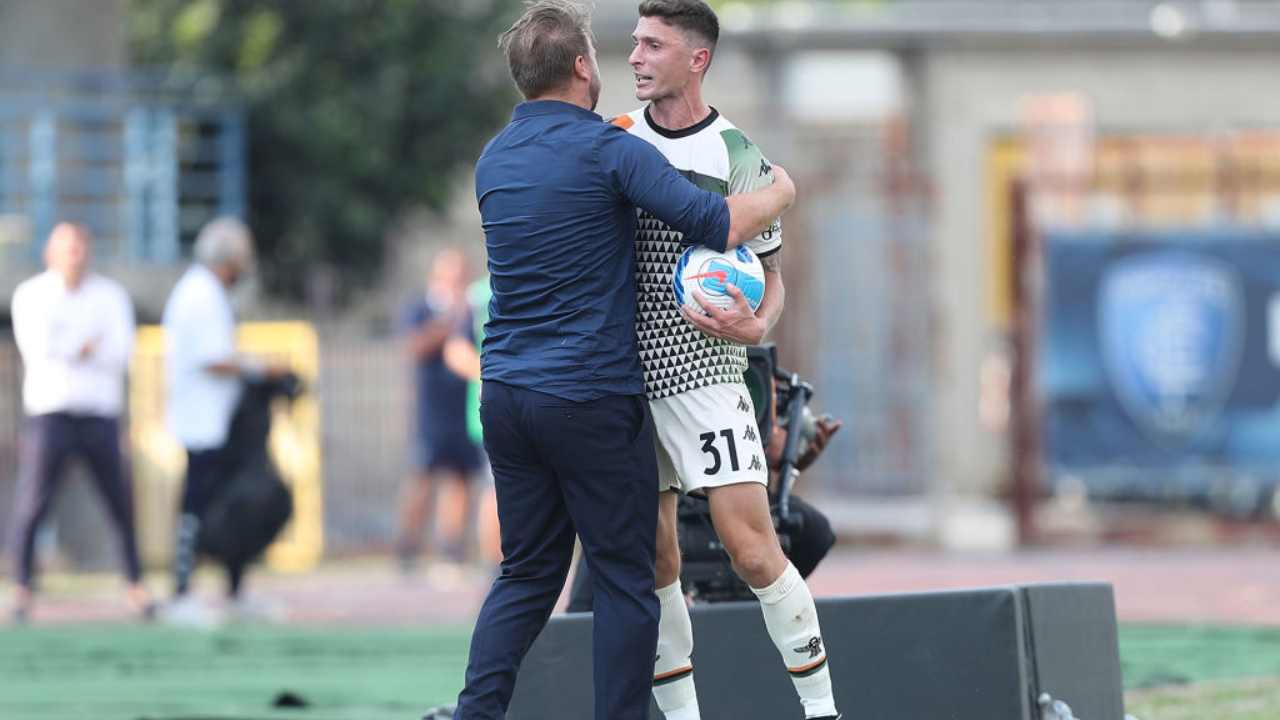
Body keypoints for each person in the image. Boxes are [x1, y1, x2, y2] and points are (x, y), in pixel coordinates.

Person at [449, 2, 796, 718]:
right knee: (624, 580)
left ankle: (474, 713)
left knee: (525, 576)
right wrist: (782, 191)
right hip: (590, 400)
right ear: (582, 67)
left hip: (508, 396)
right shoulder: (609, 149)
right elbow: (721, 223)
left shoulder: (494, 159)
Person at [616, 2, 840, 718]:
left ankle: (821, 709)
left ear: (696, 58)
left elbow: (772, 281)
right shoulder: (617, 138)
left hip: (707, 374)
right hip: (623, 378)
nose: (636, 58)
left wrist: (756, 327)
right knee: (656, 561)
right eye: (634, 44)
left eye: (652, 45)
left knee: (750, 547)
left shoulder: (739, 157)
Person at [7, 222, 152, 624]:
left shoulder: (110, 297)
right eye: (66, 248)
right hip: (50, 414)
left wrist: (71, 347)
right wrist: (83, 345)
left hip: (99, 414)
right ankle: (21, 587)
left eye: (80, 248)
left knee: (120, 503)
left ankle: (135, 585)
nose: (75, 255)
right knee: (32, 503)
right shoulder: (32, 295)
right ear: (50, 254)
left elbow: (119, 351)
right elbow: (39, 349)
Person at [160, 216, 284, 624]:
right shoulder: (200, 293)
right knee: (196, 507)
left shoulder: (208, 292)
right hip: (203, 423)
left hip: (220, 423)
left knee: (235, 507)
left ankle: (234, 591)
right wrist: (260, 369)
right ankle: (181, 593)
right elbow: (214, 359)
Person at [395, 249, 486, 571]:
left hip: (465, 405)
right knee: (423, 474)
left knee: (461, 477)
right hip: (431, 409)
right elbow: (414, 346)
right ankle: (407, 547)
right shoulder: (421, 308)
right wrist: (451, 321)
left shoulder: (476, 307)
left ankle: (452, 550)